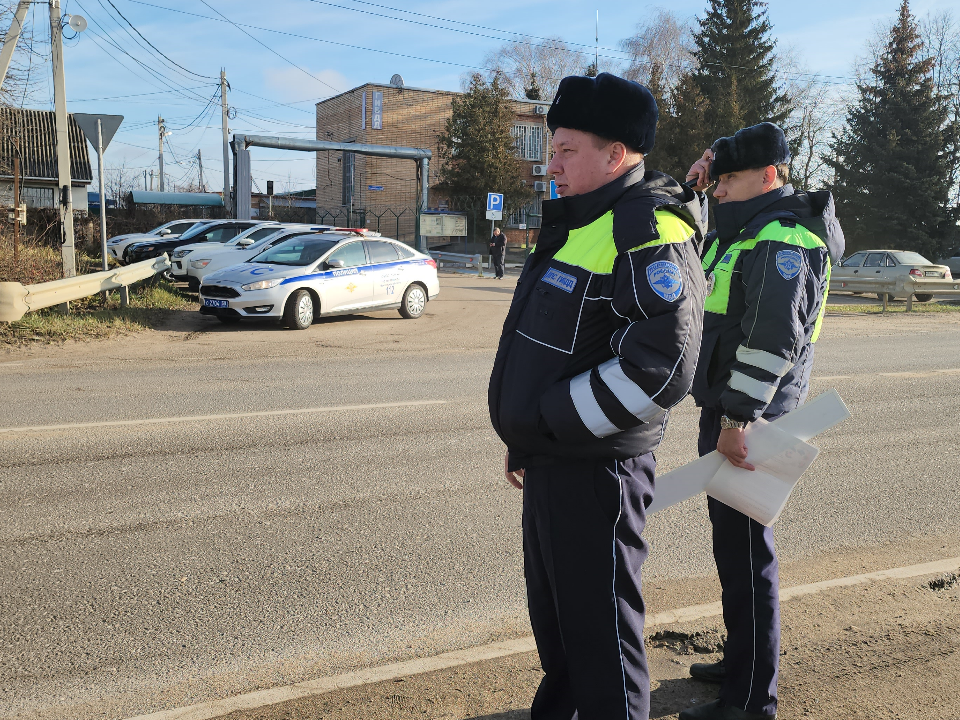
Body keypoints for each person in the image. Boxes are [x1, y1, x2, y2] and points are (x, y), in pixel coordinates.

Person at [488, 72, 706, 720]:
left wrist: (552, 422)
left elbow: (664, 367)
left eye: (566, 150)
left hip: (596, 472)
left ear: (617, 154)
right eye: (551, 148)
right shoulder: (588, 219)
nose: (551, 163)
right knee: (562, 638)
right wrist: (528, 439)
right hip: (556, 461)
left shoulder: (647, 229)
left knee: (603, 649)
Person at [679, 123, 844, 720]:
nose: (718, 190)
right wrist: (694, 187)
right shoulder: (744, 231)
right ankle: (742, 660)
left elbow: (772, 342)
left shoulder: (783, 238)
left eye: (728, 179)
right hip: (731, 413)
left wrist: (737, 417)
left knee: (749, 557)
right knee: (734, 551)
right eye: (716, 180)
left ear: (769, 176)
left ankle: (751, 700)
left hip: (754, 420)